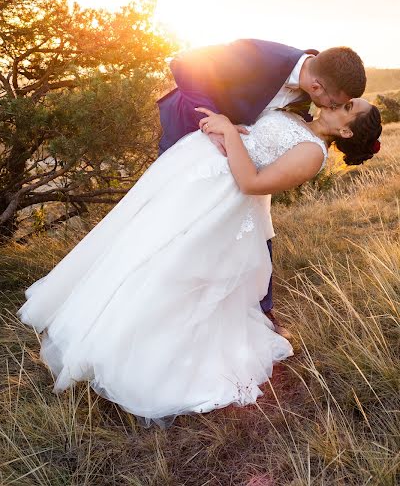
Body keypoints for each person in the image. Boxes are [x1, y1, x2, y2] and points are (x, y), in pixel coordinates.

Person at [16, 95, 382, 427]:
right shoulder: (296, 114)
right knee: (143, 253)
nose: (340, 103)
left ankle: (146, 361)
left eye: (349, 108)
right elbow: (254, 133)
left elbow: (253, 183)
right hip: (196, 184)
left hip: (221, 204)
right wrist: (226, 131)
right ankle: (101, 335)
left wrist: (227, 130)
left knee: (174, 274)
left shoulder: (314, 153)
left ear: (347, 132)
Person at [157, 39, 367, 334]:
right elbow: (184, 63)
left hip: (238, 166)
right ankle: (166, 305)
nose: (331, 107)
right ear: (318, 88)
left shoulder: (310, 92)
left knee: (251, 227)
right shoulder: (261, 57)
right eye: (335, 102)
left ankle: (255, 309)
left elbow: (292, 136)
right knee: (175, 231)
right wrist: (213, 122)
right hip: (191, 136)